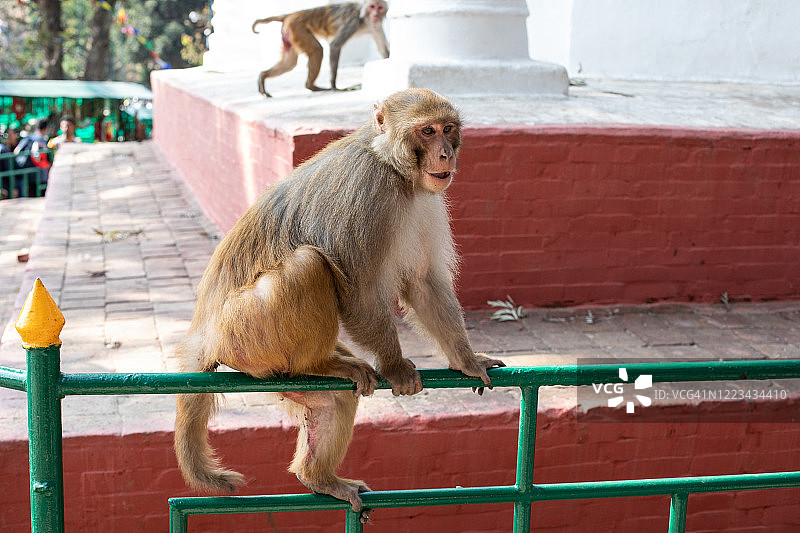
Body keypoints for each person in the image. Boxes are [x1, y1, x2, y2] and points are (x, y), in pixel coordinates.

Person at [14, 118, 50, 197]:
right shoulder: (42, 140)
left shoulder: (28, 138)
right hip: (41, 174)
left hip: (28, 174)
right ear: (46, 128)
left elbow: (16, 151)